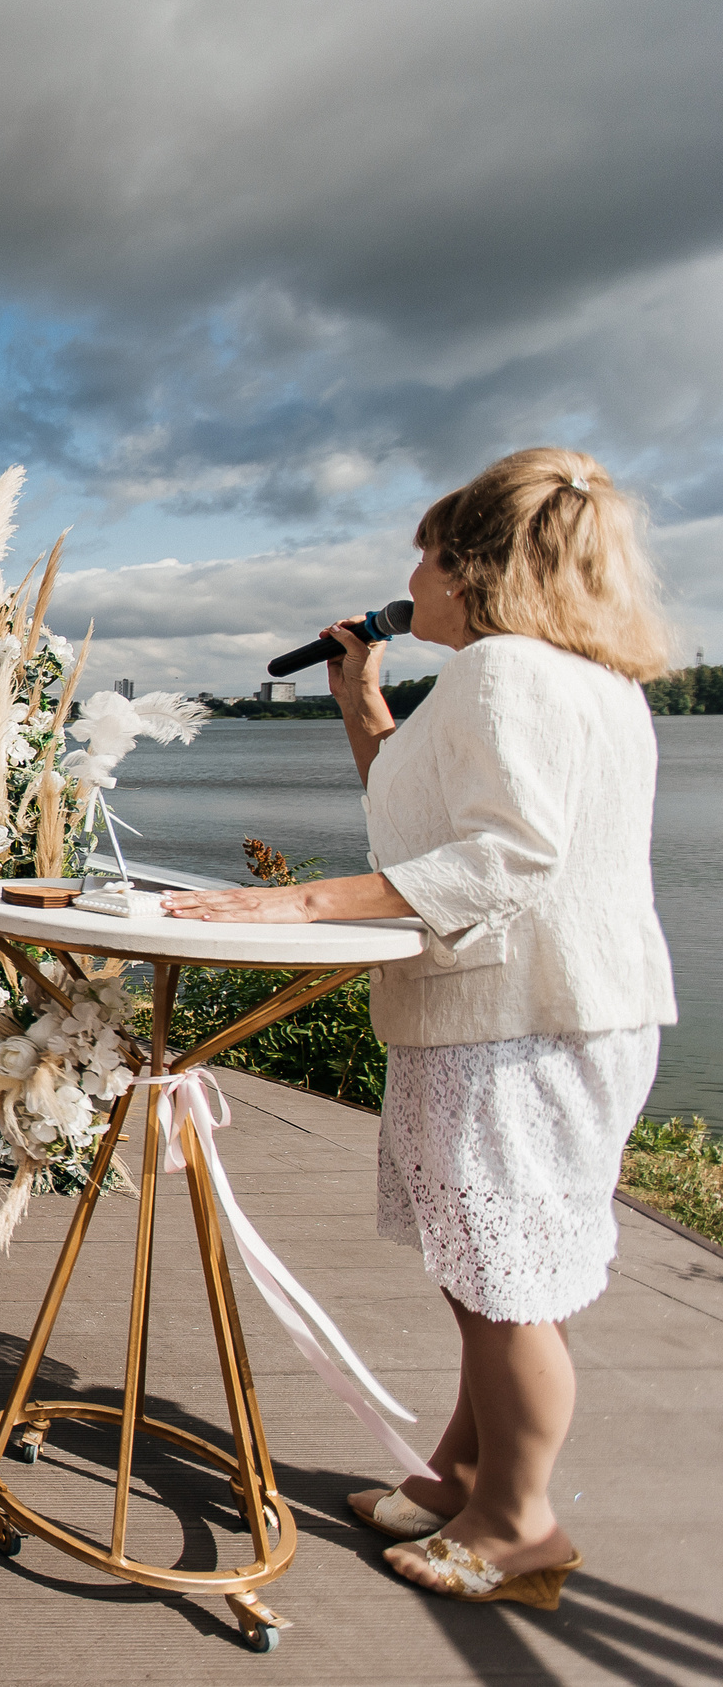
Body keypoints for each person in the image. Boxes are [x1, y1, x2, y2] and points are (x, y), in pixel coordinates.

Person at [160, 448, 674, 1611]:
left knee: (503, 1285)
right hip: (558, 1010)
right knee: (483, 1275)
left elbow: (502, 857)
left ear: (474, 568)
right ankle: (460, 1474)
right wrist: (361, 698)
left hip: (517, 1019)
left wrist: (291, 899)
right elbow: (426, 815)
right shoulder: (576, 679)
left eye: (425, 555)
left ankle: (519, 1525)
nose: (409, 576)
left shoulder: (503, 671)